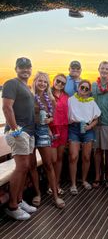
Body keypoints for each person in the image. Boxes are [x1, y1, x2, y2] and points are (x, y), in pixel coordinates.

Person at [2, 57, 37, 220]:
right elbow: (6, 107)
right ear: (16, 68)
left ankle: (19, 199)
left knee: (25, 167)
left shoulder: (26, 87)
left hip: (29, 132)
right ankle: (12, 206)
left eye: (27, 67)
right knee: (21, 167)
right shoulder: (11, 83)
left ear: (31, 69)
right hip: (19, 132)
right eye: (21, 67)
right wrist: (15, 129)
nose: (25, 70)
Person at [31, 72, 65, 209]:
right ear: (34, 81)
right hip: (29, 131)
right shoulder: (29, 97)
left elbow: (52, 118)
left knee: (48, 164)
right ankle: (37, 194)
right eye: (40, 81)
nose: (42, 84)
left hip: (43, 131)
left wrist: (48, 120)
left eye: (45, 82)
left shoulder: (50, 99)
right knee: (32, 164)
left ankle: (55, 196)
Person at [68, 80, 101, 195]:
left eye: (87, 89)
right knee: (73, 156)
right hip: (74, 129)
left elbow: (96, 118)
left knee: (86, 157)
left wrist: (89, 127)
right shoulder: (71, 100)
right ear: (78, 87)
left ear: (89, 91)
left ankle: (84, 180)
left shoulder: (91, 102)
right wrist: (68, 120)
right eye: (82, 87)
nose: (84, 90)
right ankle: (73, 184)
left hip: (87, 129)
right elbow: (64, 115)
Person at [91, 61, 108, 188]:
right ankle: (98, 176)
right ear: (99, 69)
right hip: (96, 123)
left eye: (107, 69)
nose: (104, 70)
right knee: (97, 151)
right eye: (102, 68)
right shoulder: (93, 85)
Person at [48, 74, 69, 195]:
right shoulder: (47, 94)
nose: (60, 84)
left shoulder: (66, 96)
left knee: (60, 158)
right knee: (53, 160)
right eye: (58, 81)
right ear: (53, 80)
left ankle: (57, 184)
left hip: (64, 129)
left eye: (63, 83)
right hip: (51, 129)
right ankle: (50, 184)